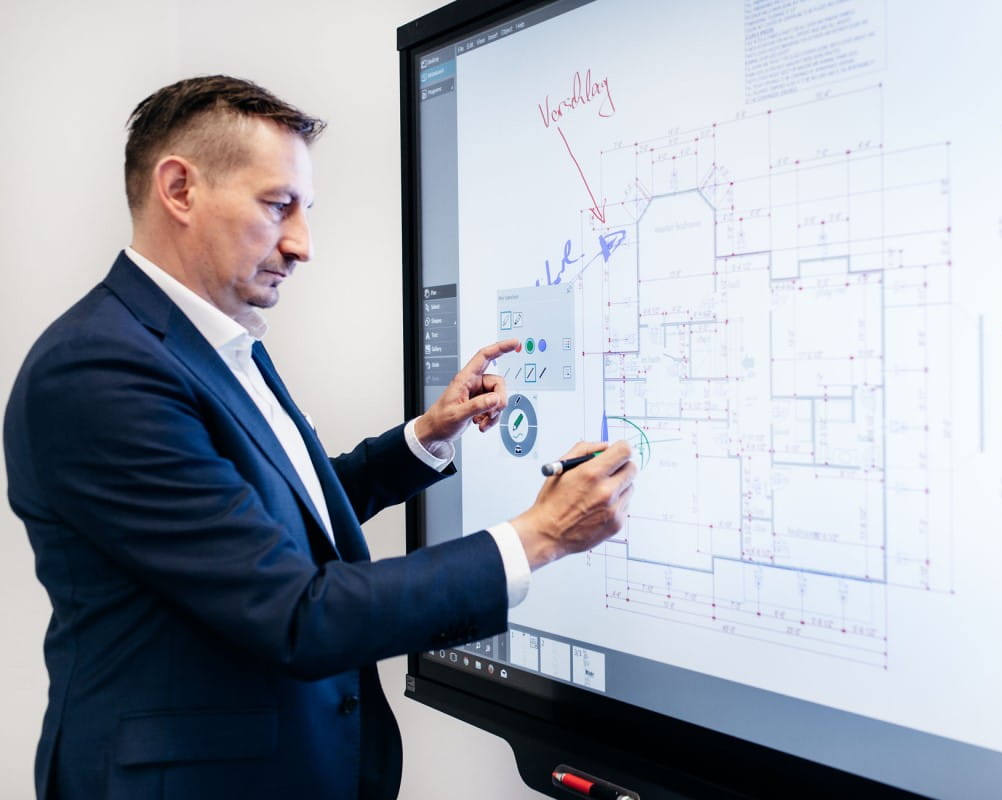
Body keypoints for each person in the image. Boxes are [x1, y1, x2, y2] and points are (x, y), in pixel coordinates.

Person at [3, 75, 636, 800]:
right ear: (179, 189)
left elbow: (268, 517)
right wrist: (541, 536)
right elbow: (296, 612)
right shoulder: (96, 371)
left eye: (306, 209)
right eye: (279, 207)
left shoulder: (209, 339)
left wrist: (424, 439)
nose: (303, 244)